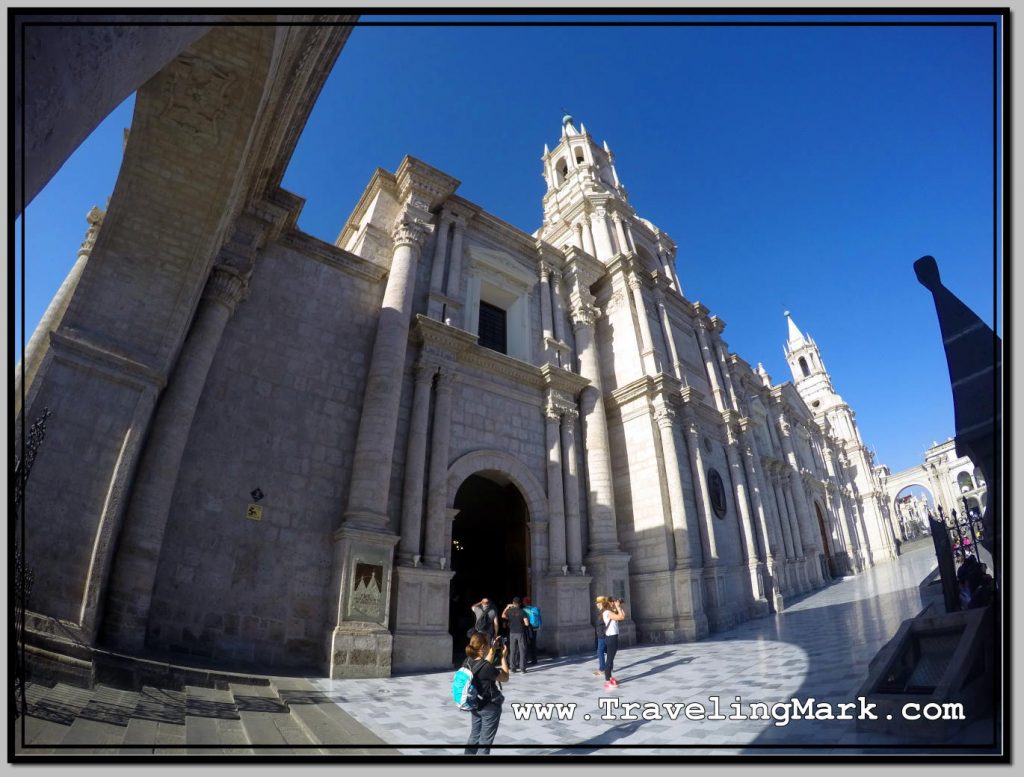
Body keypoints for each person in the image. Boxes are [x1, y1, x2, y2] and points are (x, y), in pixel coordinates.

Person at [462, 631, 510, 755]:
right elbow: (505, 677)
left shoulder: (467, 661)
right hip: (489, 707)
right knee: (484, 743)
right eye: (488, 644)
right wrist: (503, 657)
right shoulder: (487, 668)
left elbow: (483, 663)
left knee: (474, 736)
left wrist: (493, 649)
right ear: (483, 647)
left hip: (474, 704)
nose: (489, 646)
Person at [600, 596, 626, 689]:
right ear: (608, 603)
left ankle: (610, 677)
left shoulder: (611, 611)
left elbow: (623, 615)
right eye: (612, 602)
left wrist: (619, 607)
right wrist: (618, 607)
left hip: (613, 637)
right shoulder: (607, 612)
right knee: (609, 659)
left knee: (611, 658)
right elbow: (621, 617)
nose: (613, 603)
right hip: (611, 638)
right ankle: (607, 680)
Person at [501, 597, 530, 673]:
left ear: (513, 603)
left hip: (512, 633)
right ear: (520, 603)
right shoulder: (522, 612)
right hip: (520, 633)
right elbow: (526, 623)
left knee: (513, 650)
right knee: (522, 650)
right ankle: (522, 668)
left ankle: (513, 668)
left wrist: (507, 607)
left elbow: (503, 616)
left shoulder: (509, 611)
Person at [592, 595, 609, 677]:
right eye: (597, 603)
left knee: (600, 651)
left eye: (598, 603)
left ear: (602, 603)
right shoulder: (602, 612)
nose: (597, 604)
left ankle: (602, 669)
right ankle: (608, 667)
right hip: (601, 635)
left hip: (603, 636)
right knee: (607, 651)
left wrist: (602, 634)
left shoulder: (604, 612)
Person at [521, 596, 541, 665]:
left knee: (525, 644)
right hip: (535, 628)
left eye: (523, 601)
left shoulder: (524, 610)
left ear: (525, 602)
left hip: (528, 628)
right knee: (533, 644)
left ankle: (525, 660)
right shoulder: (535, 608)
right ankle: (534, 660)